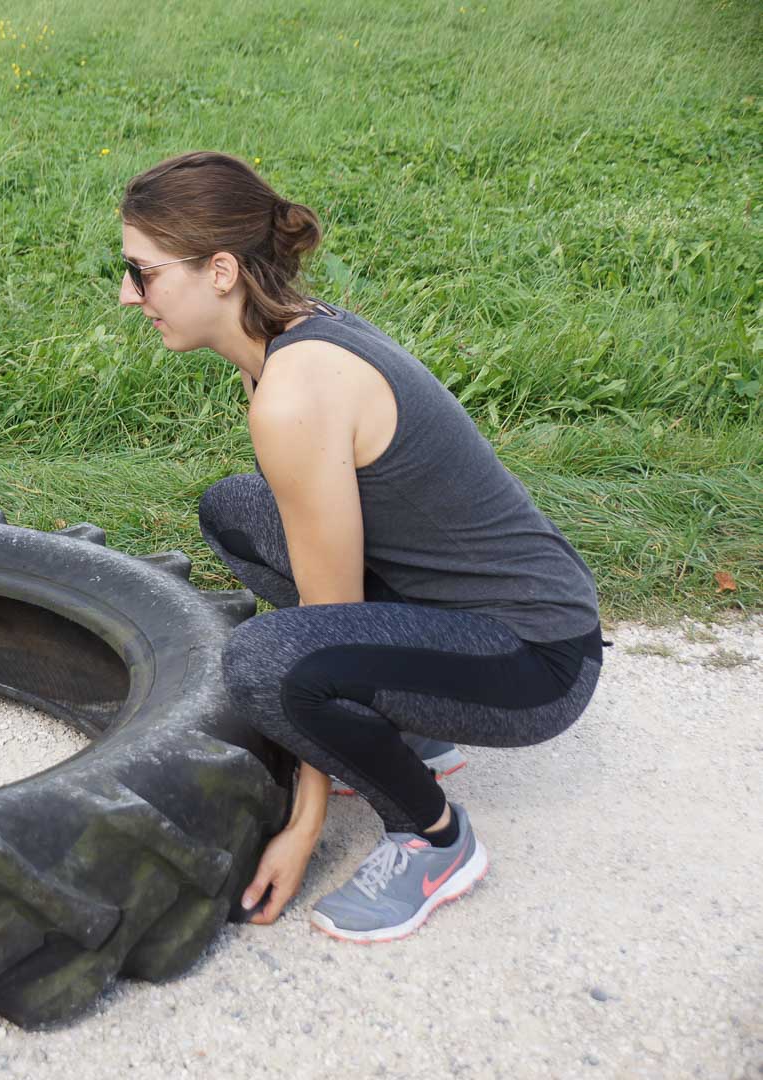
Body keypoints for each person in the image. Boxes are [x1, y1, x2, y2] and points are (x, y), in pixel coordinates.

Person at [118, 151, 603, 943]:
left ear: (220, 271)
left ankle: (435, 841)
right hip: (468, 612)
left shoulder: (294, 393)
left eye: (142, 273)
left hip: (537, 659)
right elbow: (324, 586)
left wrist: (304, 823)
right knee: (234, 511)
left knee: (263, 663)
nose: (127, 294)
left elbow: (322, 621)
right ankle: (408, 725)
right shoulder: (289, 335)